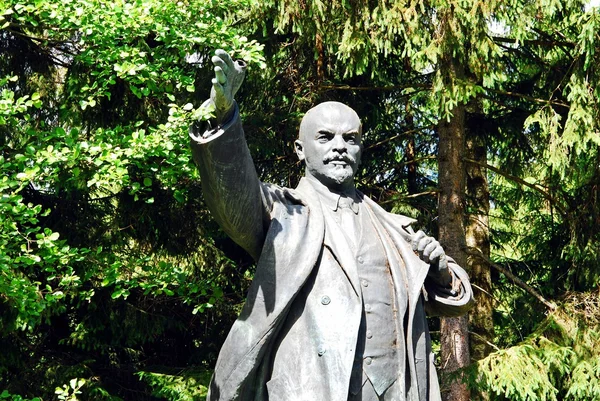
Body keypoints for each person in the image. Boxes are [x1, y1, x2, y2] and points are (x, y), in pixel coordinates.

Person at [189, 50, 473, 401]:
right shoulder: (283, 213)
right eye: (325, 137)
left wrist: (442, 273)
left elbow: (455, 299)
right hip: (315, 386)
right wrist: (224, 116)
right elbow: (234, 197)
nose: (340, 146)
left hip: (397, 389)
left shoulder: (393, 227)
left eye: (350, 138)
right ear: (299, 149)